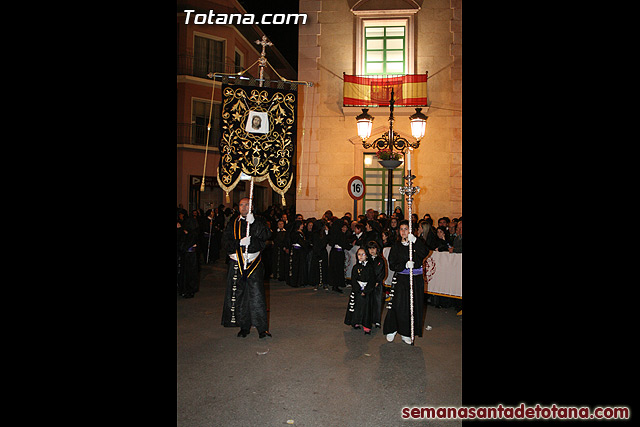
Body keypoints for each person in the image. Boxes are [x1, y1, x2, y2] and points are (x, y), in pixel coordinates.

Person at [221, 197, 272, 339]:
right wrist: (239, 243)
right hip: (237, 262)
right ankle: (244, 327)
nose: (244, 207)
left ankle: (262, 329)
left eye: (247, 205)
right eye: (241, 205)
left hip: (254, 261)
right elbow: (225, 242)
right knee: (241, 295)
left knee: (257, 295)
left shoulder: (259, 220)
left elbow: (266, 235)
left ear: (252, 206)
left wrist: (254, 223)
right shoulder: (233, 222)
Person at [383, 220, 428, 344]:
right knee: (398, 305)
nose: (403, 231)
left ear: (411, 230)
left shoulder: (417, 243)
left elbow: (424, 252)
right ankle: (392, 329)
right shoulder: (396, 246)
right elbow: (392, 264)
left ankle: (406, 332)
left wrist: (415, 241)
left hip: (415, 280)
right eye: (401, 229)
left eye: (406, 229)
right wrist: (404, 265)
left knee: (412, 306)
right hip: (402, 280)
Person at [344, 248, 376, 334]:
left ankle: (366, 325)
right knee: (357, 307)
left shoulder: (370, 267)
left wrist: (366, 290)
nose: (361, 256)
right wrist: (358, 289)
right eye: (359, 254)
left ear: (367, 256)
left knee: (366, 309)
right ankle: (356, 321)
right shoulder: (355, 267)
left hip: (367, 291)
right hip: (357, 290)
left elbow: (372, 280)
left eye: (363, 254)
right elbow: (353, 279)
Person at [328, 218, 352, 293]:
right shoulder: (340, 234)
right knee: (338, 269)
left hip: (334, 253)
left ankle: (335, 284)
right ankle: (337, 285)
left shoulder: (333, 233)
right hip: (339, 253)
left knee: (334, 269)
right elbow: (345, 244)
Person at [178, 216, 200, 298]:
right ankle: (188, 289)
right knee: (189, 274)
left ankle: (188, 290)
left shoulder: (191, 234)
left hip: (189, 255)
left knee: (188, 274)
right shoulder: (193, 233)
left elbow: (183, 246)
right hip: (191, 255)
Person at [367, 240, 386, 328]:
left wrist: (378, 281)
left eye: (373, 248)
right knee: (368, 302)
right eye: (370, 248)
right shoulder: (367, 260)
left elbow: (382, 273)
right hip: (368, 285)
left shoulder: (380, 260)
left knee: (378, 302)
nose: (372, 250)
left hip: (378, 285)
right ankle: (368, 319)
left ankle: (377, 321)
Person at [309, 219, 330, 290]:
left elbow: (326, 241)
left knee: (324, 268)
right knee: (316, 268)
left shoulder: (323, 233)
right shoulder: (315, 234)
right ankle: (317, 283)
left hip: (321, 252)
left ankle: (324, 283)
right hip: (318, 252)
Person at [288, 220, 309, 287]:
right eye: (301, 225)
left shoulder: (301, 233)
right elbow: (301, 242)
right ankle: (295, 282)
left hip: (300, 251)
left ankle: (300, 281)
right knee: (296, 266)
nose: (303, 226)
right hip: (296, 252)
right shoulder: (295, 233)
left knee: (300, 266)